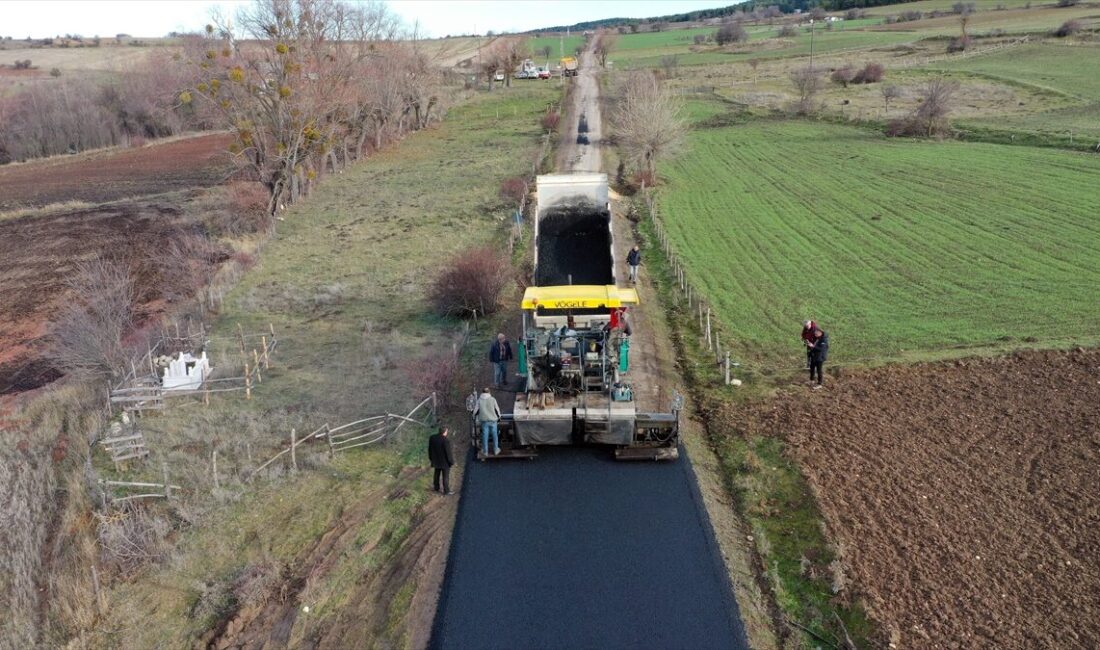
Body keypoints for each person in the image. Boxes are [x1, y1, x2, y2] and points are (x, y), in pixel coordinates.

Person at [473, 387, 502, 455]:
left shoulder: (479, 400)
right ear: (489, 392)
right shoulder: (493, 399)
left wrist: (473, 416)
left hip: (484, 421)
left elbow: (475, 410)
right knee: (495, 435)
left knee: (485, 435)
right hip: (493, 421)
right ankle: (496, 450)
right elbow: (497, 409)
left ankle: (485, 451)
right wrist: (499, 417)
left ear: (482, 392)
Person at [427, 427, 455, 494]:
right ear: (445, 432)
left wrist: (431, 458)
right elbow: (448, 453)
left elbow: (430, 449)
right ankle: (446, 490)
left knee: (436, 474)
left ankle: (436, 488)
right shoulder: (445, 440)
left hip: (435, 460)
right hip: (444, 462)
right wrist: (451, 461)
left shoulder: (432, 438)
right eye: (446, 431)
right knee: (445, 476)